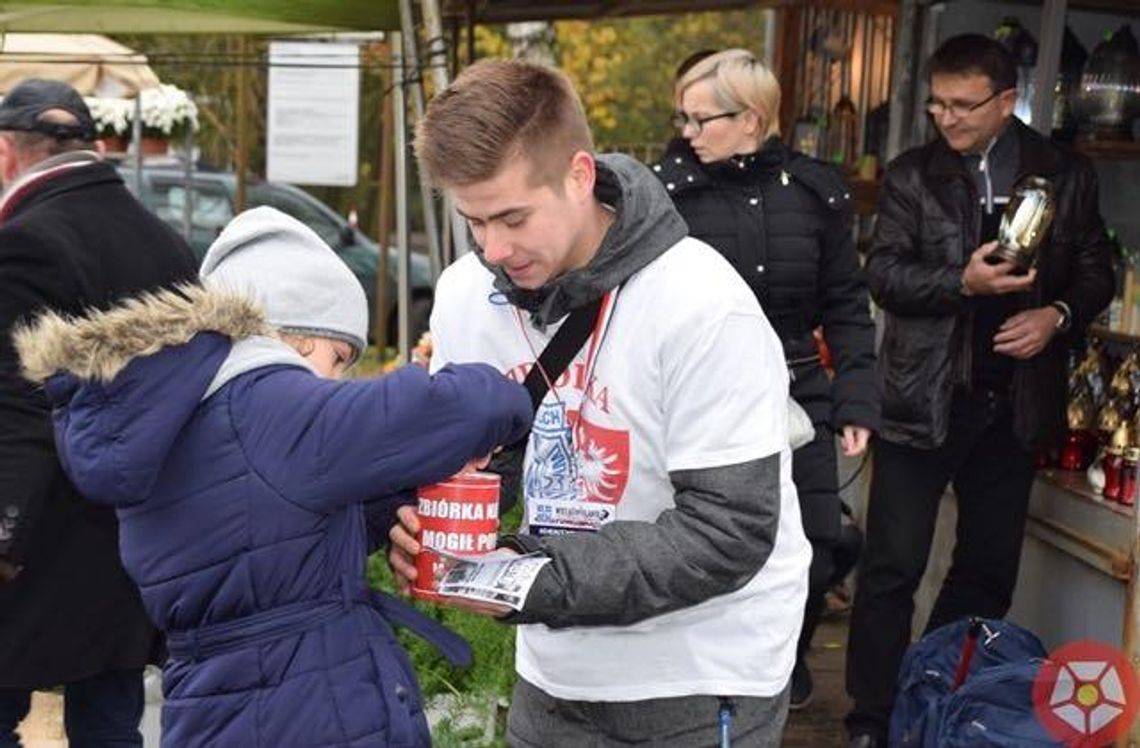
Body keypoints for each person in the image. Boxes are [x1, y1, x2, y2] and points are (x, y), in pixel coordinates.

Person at [390, 58, 812, 747]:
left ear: (580, 176)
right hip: (554, 673)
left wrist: (529, 579)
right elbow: (486, 464)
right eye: (473, 221)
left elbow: (727, 530)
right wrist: (430, 526)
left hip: (698, 674)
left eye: (513, 217)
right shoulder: (468, 291)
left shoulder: (702, 304)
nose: (494, 249)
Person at [13, 206, 533, 747]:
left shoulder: (187, 415)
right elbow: (447, 409)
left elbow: (265, 539)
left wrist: (383, 514)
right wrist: (509, 389)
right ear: (299, 338)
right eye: (339, 359)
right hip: (298, 714)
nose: (338, 380)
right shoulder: (266, 406)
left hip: (232, 707)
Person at [844, 34, 1114, 748]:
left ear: (1006, 102)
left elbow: (1097, 274)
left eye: (964, 105)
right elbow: (885, 277)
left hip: (1016, 404)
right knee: (890, 571)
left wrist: (1054, 317)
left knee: (987, 574)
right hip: (921, 398)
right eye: (936, 103)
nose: (946, 118)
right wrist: (960, 283)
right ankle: (871, 722)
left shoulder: (1065, 172)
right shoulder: (911, 175)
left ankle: (934, 696)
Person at [655, 48, 879, 710]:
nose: (689, 132)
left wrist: (857, 400)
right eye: (683, 118)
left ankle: (785, 661)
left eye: (702, 119)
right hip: (700, 395)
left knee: (817, 540)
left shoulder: (815, 193)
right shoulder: (664, 193)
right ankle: (704, 673)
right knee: (704, 539)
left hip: (798, 394)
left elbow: (845, 303)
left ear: (751, 117)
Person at [0, 78, 198, 747]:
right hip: (136, 540)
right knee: (112, 724)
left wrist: (2, 535)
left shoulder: (24, 242)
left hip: (35, 543)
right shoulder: (166, 242)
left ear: (7, 154)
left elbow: (18, 409)